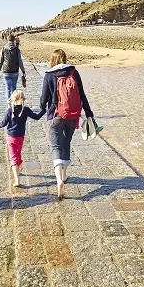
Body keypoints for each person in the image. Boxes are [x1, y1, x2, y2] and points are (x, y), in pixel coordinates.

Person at [40, 49, 95, 199]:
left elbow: (43, 100)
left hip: (55, 116)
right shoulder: (73, 72)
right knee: (66, 143)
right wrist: (89, 115)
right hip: (72, 115)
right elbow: (82, 95)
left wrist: (40, 110)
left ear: (52, 60)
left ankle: (58, 180)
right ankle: (64, 175)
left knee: (56, 146)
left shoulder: (49, 74)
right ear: (64, 58)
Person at [0, 89, 44, 187]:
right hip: (20, 137)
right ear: (23, 99)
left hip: (11, 137)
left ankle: (17, 180)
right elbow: (37, 117)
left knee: (13, 157)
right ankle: (17, 167)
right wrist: (44, 110)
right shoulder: (25, 110)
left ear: (12, 99)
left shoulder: (10, 110)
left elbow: (3, 123)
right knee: (17, 154)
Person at [0, 33, 25, 99]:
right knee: (14, 88)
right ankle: (14, 104)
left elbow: (0, 61)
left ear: (7, 40)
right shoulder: (17, 49)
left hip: (6, 71)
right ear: (14, 40)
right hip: (15, 71)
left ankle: (9, 105)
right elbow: (20, 61)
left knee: (8, 88)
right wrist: (23, 71)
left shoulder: (3, 49)